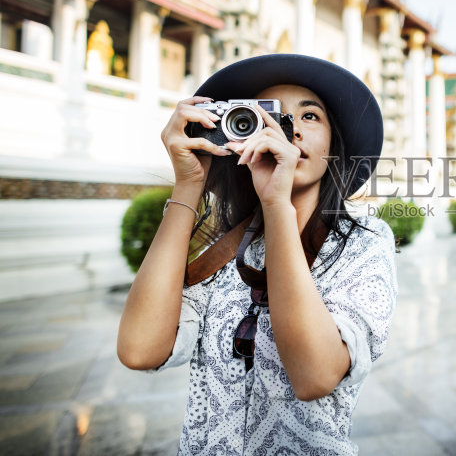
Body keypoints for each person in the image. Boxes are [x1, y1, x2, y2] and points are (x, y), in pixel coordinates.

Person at [117, 54, 397, 455]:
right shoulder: (224, 250)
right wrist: (188, 185)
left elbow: (314, 376)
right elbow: (138, 350)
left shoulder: (365, 241)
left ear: (335, 144)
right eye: (269, 116)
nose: (288, 131)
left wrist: (277, 204)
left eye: (310, 117)